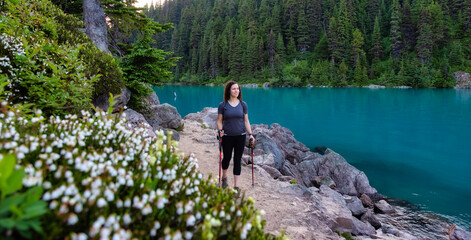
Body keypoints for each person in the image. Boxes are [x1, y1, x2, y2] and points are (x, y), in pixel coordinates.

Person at [217, 80, 255, 196]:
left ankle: (236, 187)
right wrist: (220, 131)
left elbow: (246, 121)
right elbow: (219, 121)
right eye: (234, 89)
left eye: (238, 89)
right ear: (229, 90)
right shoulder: (223, 105)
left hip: (241, 136)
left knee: (237, 160)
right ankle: (224, 178)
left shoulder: (243, 105)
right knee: (226, 158)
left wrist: (251, 134)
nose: (236, 91)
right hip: (227, 136)